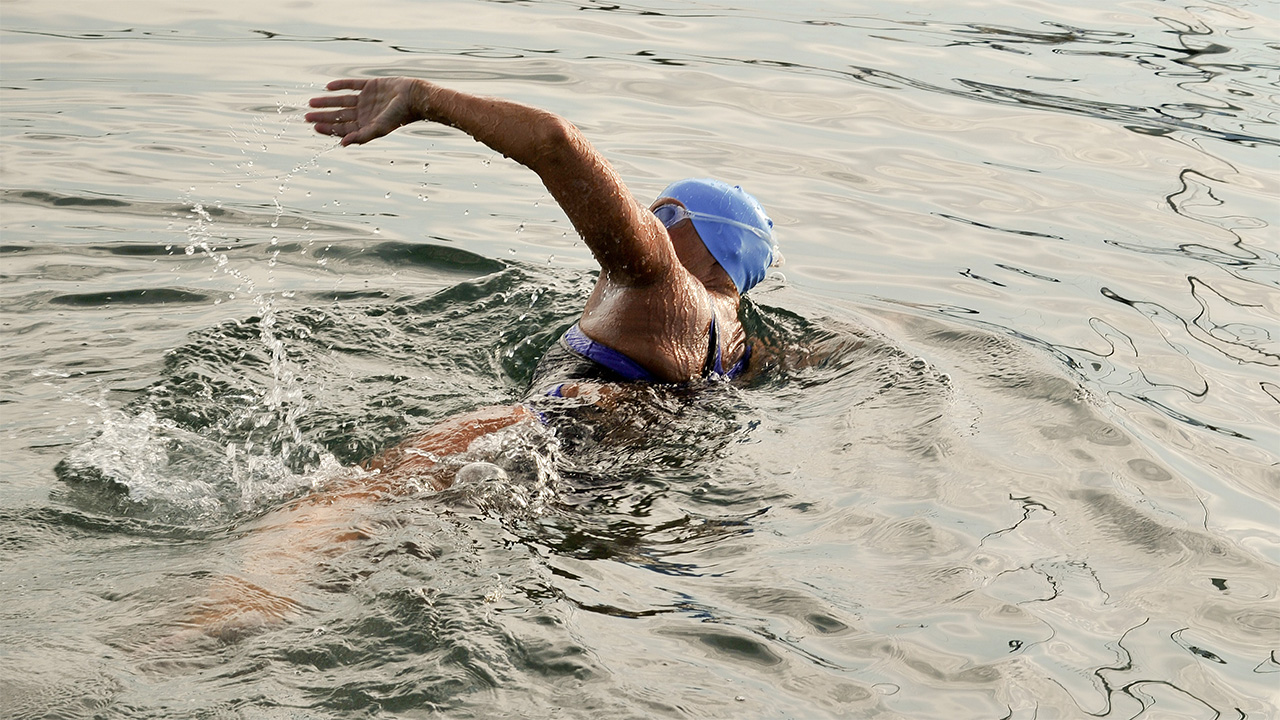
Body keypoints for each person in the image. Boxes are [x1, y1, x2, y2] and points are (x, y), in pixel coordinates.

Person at [305, 77, 778, 479]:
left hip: (527, 434)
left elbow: (554, 141)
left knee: (319, 517)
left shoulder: (659, 282)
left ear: (722, 250)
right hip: (599, 482)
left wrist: (420, 96)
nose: (650, 220)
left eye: (668, 214)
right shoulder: (740, 353)